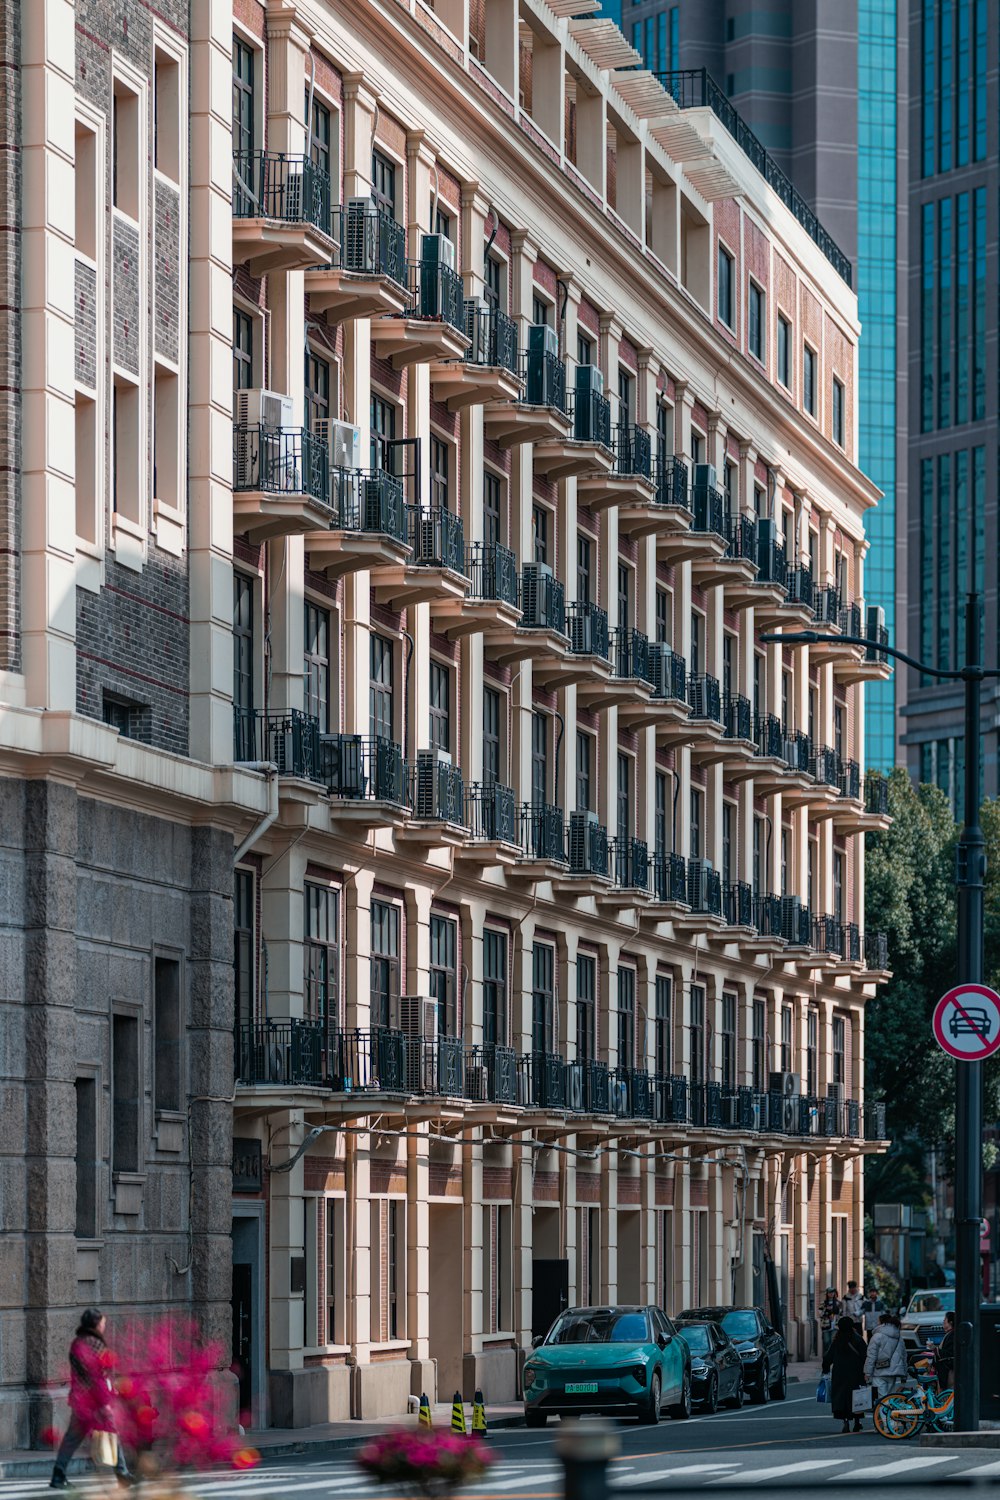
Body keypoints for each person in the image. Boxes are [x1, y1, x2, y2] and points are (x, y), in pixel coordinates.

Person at [50, 1309, 131, 1489]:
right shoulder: (94, 1344)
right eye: (102, 1323)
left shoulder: (77, 1343)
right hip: (95, 1401)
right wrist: (105, 1402)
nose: (104, 1326)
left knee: (72, 1438)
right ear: (95, 1323)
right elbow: (97, 1377)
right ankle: (122, 1473)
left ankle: (58, 1474)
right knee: (111, 1432)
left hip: (81, 1400)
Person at [822, 1314, 869, 1433]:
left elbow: (828, 1357)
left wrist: (825, 1369)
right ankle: (857, 1422)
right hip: (856, 1373)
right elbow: (865, 1356)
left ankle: (845, 1421)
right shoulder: (858, 1339)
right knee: (857, 1398)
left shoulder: (837, 1340)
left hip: (839, 1374)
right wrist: (867, 1371)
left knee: (841, 1397)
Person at [864, 1311, 907, 1400]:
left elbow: (871, 1356)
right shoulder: (899, 1337)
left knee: (882, 1400)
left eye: (878, 1322)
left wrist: (867, 1372)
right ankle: (889, 1413)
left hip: (879, 1372)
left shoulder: (877, 1336)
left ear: (882, 1323)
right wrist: (904, 1375)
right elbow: (904, 1357)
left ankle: (882, 1413)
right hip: (893, 1373)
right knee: (890, 1398)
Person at [935, 1310, 955, 1391]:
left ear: (950, 1322)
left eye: (945, 1321)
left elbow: (949, 1354)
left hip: (949, 1371)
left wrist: (935, 1349)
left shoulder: (952, 1335)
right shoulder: (950, 1334)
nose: (943, 1322)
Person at [821, 1288, 843, 1354]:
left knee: (832, 1341)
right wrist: (826, 1311)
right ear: (827, 1294)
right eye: (830, 1293)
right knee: (826, 1341)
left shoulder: (838, 1303)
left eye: (833, 1292)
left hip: (835, 1325)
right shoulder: (823, 1303)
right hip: (826, 1325)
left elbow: (841, 1313)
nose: (831, 1294)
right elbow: (820, 1313)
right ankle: (826, 1355)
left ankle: (832, 1356)